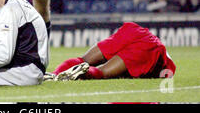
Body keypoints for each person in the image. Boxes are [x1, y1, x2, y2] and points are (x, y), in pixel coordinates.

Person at [45, 22, 176, 81]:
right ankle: (82, 71)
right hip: (151, 47)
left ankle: (54, 74)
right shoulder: (168, 66)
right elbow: (166, 73)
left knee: (84, 59)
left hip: (134, 30)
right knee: (103, 72)